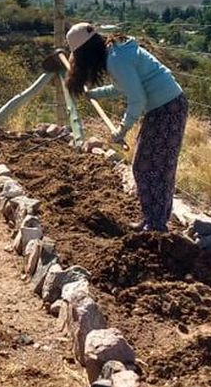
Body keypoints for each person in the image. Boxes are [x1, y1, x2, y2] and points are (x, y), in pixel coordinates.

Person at [65, 22, 187, 231]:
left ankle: (156, 225)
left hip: (167, 110)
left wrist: (121, 130)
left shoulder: (116, 60)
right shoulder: (115, 54)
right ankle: (154, 220)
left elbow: (137, 98)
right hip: (165, 108)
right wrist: (95, 94)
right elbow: (123, 87)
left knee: (148, 167)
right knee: (152, 166)